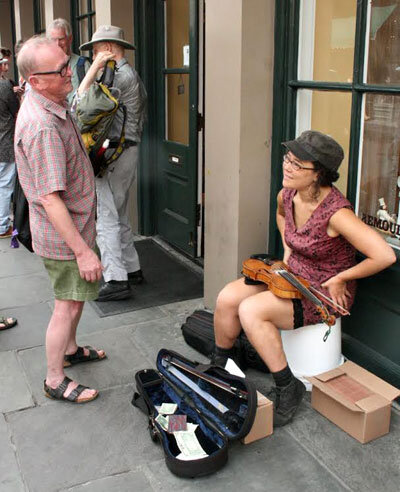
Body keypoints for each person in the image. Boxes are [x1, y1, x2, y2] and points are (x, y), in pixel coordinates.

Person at [212, 131, 396, 427]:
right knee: (227, 298)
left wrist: (342, 278)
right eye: (288, 159)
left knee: (250, 311)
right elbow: (282, 215)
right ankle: (219, 367)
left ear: (317, 175)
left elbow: (385, 255)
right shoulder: (287, 194)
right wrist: (288, 248)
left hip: (321, 291)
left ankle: (288, 386)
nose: (287, 167)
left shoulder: (337, 213)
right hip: (291, 273)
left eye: (298, 164)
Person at [15, 37, 105, 403]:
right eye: (61, 70)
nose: (70, 73)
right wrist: (83, 251)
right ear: (35, 80)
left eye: (68, 64)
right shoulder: (42, 127)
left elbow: (78, 95)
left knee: (75, 298)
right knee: (66, 304)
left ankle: (70, 349)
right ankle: (55, 378)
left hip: (74, 228)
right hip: (66, 236)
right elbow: (51, 199)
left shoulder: (50, 99)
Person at [77, 25, 147, 302]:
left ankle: (116, 279)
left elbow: (79, 104)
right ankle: (131, 269)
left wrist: (94, 68)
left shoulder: (118, 77)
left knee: (106, 218)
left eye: (96, 50)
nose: (93, 54)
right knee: (119, 214)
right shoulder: (126, 75)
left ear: (107, 49)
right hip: (125, 152)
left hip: (113, 155)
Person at [46, 18, 90, 105]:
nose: (57, 44)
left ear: (70, 39)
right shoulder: (44, 67)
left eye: (61, 39)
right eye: (53, 40)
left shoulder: (82, 65)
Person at [0, 51, 19, 238]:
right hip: (5, 141)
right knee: (5, 185)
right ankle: (2, 224)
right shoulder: (4, 85)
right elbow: (16, 110)